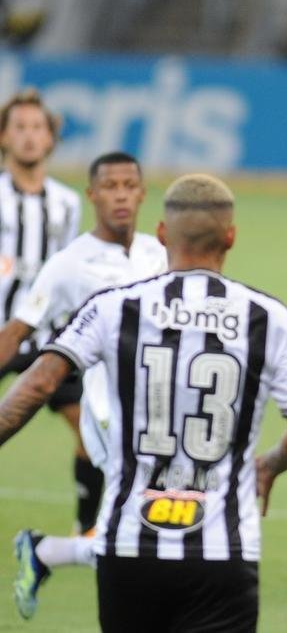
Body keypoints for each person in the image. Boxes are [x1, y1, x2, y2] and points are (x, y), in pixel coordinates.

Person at [0, 174, 287, 632]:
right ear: (230, 236)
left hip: (128, 546)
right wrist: (269, 466)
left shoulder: (112, 307)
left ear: (160, 234)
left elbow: (36, 386)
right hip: (223, 551)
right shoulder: (269, 318)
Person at [9, 152, 167, 619]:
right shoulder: (69, 264)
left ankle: (43, 552)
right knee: (151, 528)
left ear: (141, 193)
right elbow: (19, 329)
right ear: (92, 195)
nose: (120, 194)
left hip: (158, 410)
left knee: (150, 528)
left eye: (129, 185)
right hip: (107, 412)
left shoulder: (158, 253)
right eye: (110, 186)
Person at [0, 89, 89, 537]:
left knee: (92, 433)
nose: (30, 137)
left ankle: (87, 532)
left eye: (38, 128)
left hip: (51, 339)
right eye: (20, 128)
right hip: (0, 332)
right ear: (4, 137)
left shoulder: (68, 203)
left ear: (51, 139)